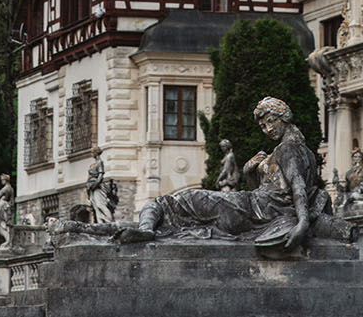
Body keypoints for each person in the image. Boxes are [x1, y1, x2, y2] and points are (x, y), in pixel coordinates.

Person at [118, 97, 349, 250]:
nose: (268, 129)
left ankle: (146, 230)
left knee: (170, 203)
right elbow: (268, 190)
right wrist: (249, 172)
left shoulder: (288, 149)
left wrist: (303, 223)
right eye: (263, 126)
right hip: (252, 209)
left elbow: (298, 186)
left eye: (271, 121)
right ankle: (135, 229)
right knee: (178, 214)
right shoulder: (303, 151)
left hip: (247, 209)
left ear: (284, 117)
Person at [87, 147, 114, 223]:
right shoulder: (93, 164)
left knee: (100, 204)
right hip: (91, 187)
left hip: (97, 187)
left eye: (92, 152)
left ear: (96, 153)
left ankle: (109, 221)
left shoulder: (100, 162)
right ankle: (100, 222)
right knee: (95, 206)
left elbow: (100, 175)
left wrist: (95, 184)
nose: (91, 154)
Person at [0, 173, 14, 243]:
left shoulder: (5, 189)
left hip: (2, 206)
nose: (1, 181)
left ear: (5, 180)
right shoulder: (11, 189)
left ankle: (7, 240)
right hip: (8, 207)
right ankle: (8, 240)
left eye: (2, 180)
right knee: (6, 224)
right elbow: (12, 201)